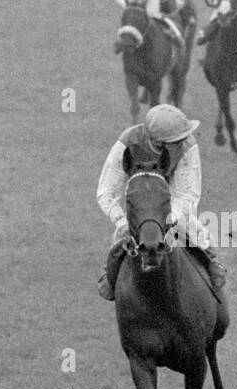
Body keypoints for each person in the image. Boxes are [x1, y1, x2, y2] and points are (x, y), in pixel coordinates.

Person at [96, 104, 227, 301]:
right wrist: (121, 221)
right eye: (177, 141)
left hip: (171, 189)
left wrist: (170, 218)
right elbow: (106, 192)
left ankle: (210, 261)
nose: (184, 142)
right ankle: (111, 274)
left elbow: (188, 193)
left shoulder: (187, 145)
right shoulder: (127, 144)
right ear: (157, 142)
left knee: (186, 225)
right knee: (130, 227)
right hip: (139, 186)